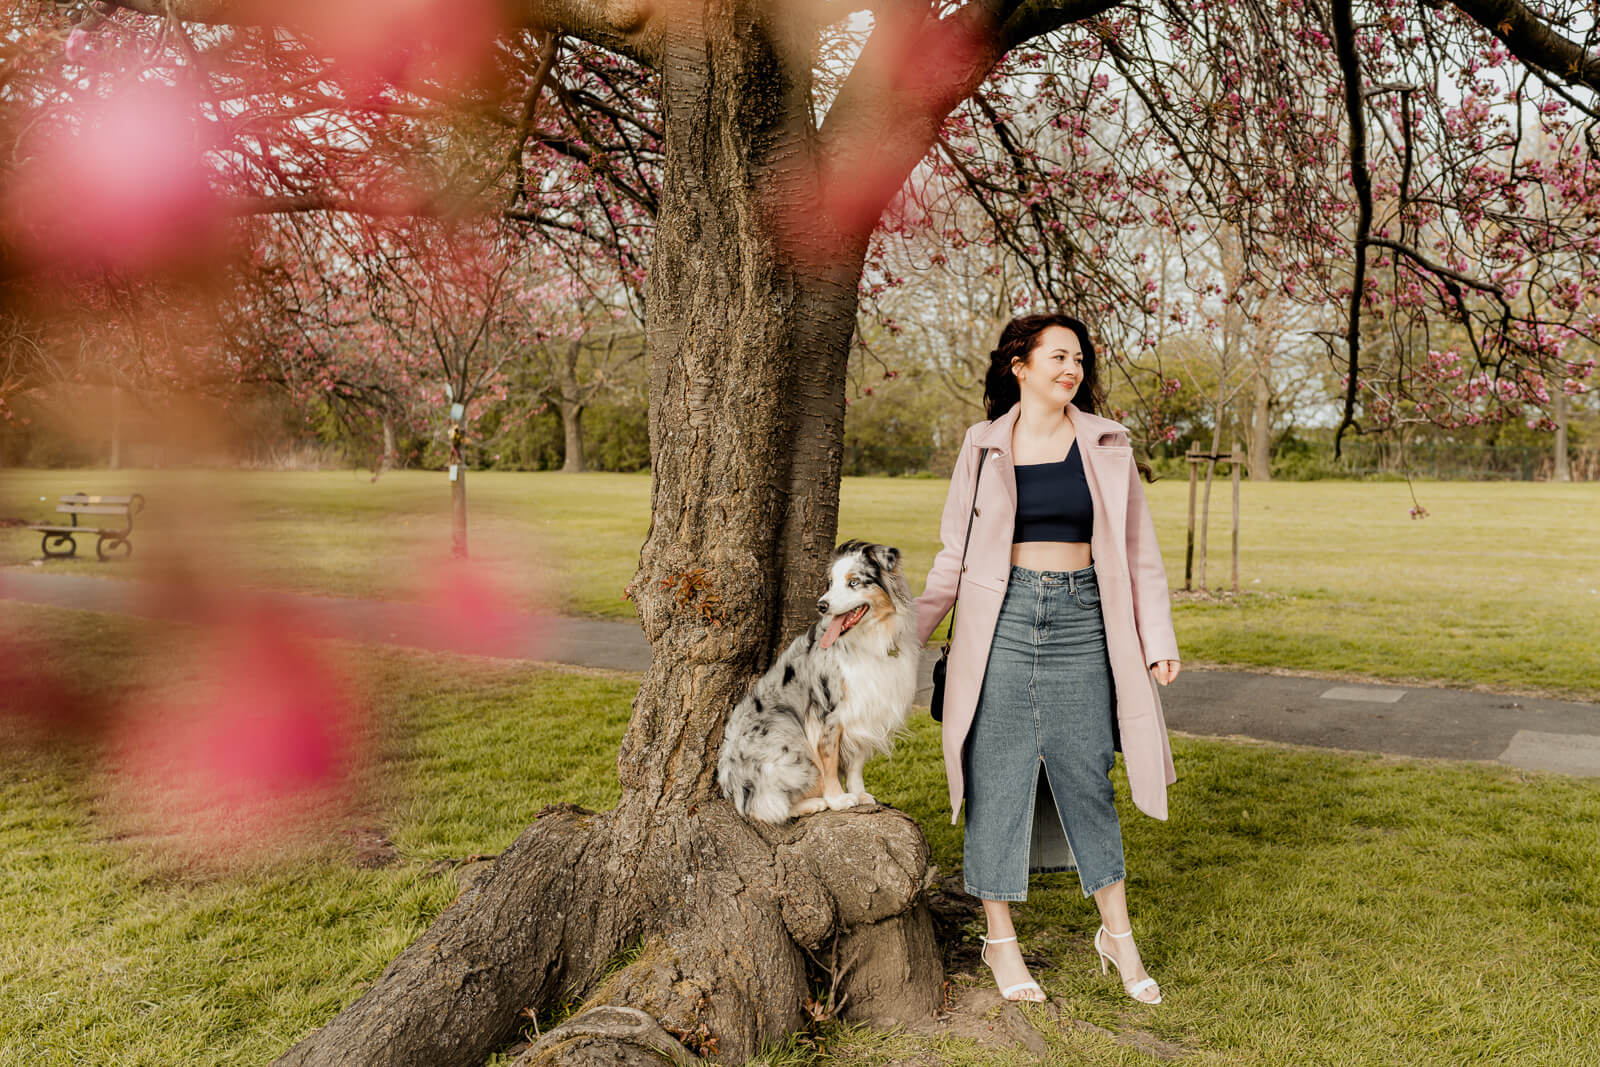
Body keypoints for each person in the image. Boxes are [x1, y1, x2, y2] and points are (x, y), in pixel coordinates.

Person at [914, 313, 1181, 1006]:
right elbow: (954, 552)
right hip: (998, 622)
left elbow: (1139, 551)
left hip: (1084, 618)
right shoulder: (982, 445)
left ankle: (1118, 936)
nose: (1072, 368)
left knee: (1086, 771)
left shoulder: (1107, 444)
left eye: (1079, 359)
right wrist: (907, 629)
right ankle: (999, 938)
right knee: (995, 773)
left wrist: (1157, 642)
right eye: (1057, 356)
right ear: (1020, 366)